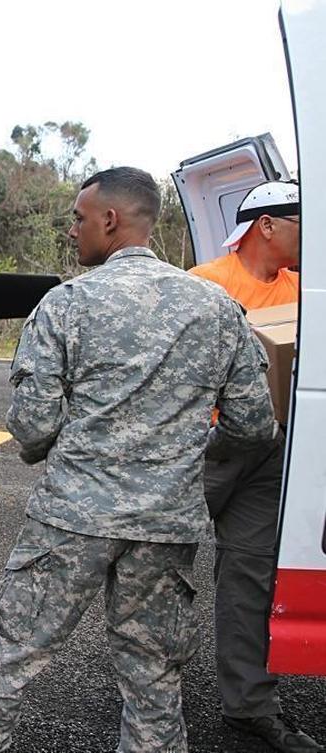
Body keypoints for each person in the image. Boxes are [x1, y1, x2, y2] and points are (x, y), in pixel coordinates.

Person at [0, 167, 276, 753]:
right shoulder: (218, 308)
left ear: (110, 220)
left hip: (72, 517)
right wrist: (186, 463)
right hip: (166, 525)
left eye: (78, 218)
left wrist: (58, 448)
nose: (72, 230)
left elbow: (32, 423)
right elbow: (254, 425)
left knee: (16, 652)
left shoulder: (68, 304)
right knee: (153, 674)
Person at [190, 181, 321, 753]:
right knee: (157, 568)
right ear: (265, 225)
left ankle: (249, 706)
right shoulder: (205, 286)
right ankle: (145, 694)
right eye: (302, 220)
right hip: (209, 447)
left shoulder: (303, 290)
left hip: (271, 451)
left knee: (251, 574)